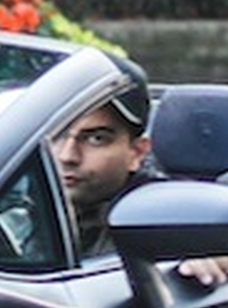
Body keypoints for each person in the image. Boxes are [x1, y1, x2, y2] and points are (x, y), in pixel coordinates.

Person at [48, 80, 153, 258]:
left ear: (137, 153)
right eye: (56, 135)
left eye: (96, 139)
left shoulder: (157, 222)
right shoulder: (6, 200)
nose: (67, 156)